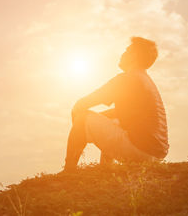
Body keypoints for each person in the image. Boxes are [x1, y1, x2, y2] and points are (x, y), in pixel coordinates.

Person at [63, 37, 169, 172]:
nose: (123, 54)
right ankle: (106, 168)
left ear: (134, 56)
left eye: (127, 51)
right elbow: (121, 114)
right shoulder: (145, 80)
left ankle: (68, 171)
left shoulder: (126, 78)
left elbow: (82, 104)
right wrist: (97, 121)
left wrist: (78, 127)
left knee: (82, 117)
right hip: (155, 155)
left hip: (139, 150)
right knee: (112, 121)